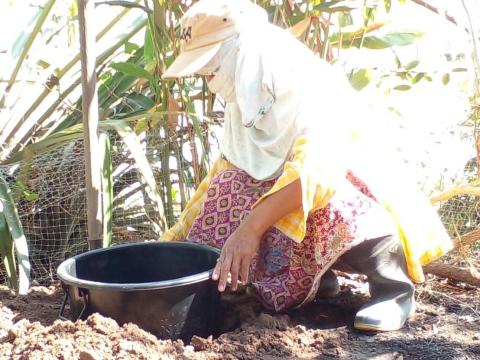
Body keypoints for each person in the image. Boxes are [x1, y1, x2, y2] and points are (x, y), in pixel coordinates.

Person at [161, 0, 453, 332]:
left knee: (339, 204)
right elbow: (225, 172)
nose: (207, 78)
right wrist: (167, 246)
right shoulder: (244, 93)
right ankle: (317, 281)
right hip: (301, 185)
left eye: (210, 67)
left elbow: (317, 170)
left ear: (237, 49)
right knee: (229, 190)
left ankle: (392, 289)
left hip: (349, 185)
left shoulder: (297, 78)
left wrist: (250, 230)